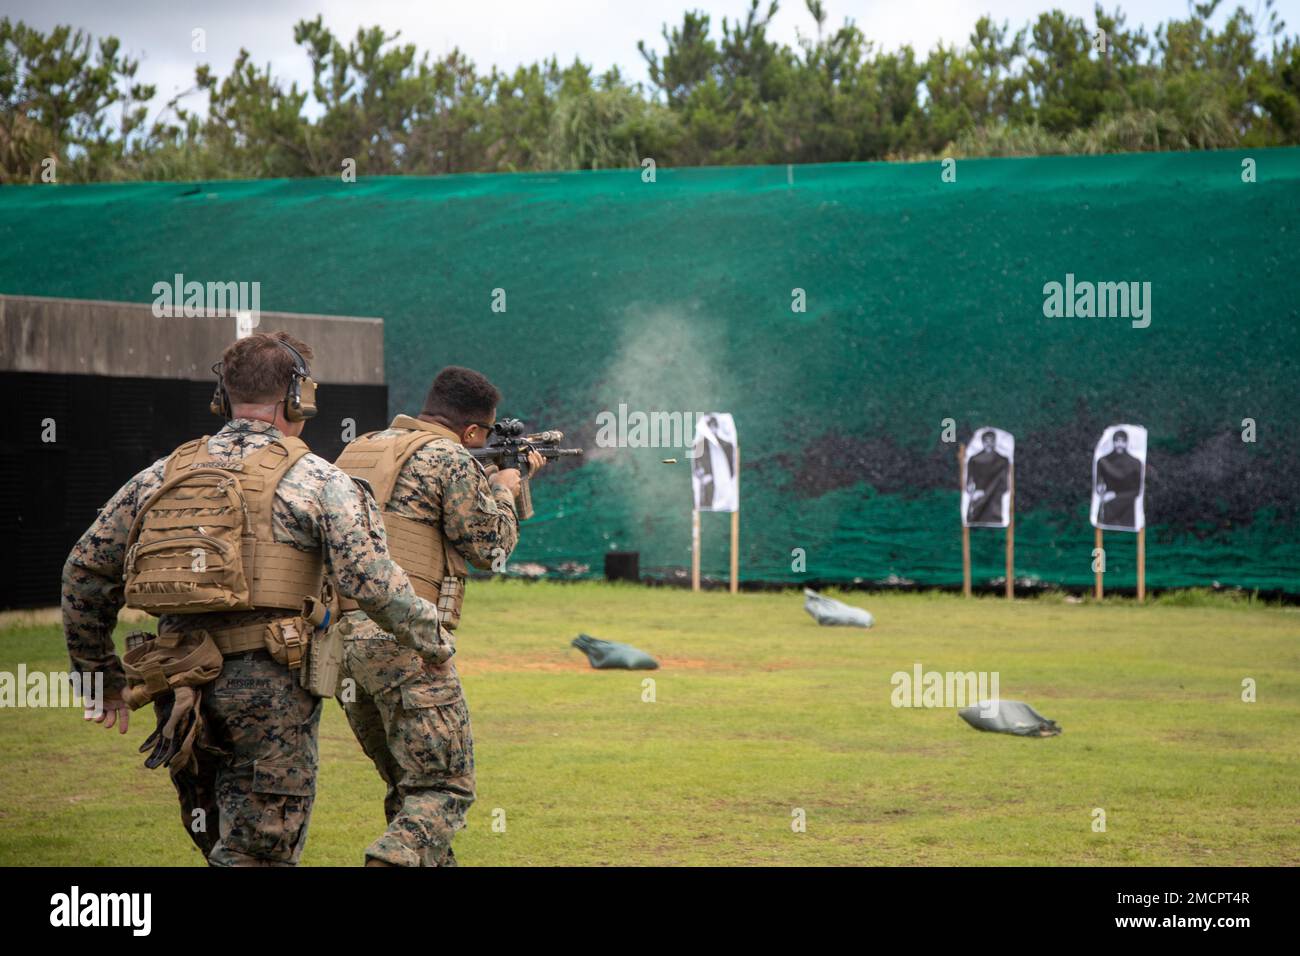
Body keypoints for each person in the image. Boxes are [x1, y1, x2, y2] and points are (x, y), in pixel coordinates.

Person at [63, 331, 447, 866]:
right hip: (266, 684)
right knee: (258, 851)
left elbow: (83, 569)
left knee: (219, 835)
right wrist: (432, 635)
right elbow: (371, 582)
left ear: (223, 396)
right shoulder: (318, 479)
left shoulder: (160, 475)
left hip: (178, 684)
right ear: (299, 397)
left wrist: (98, 675)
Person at [331, 365, 542, 867]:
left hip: (338, 642)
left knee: (410, 787)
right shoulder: (451, 458)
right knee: (444, 787)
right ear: (472, 431)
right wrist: (508, 490)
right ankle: (388, 860)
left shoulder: (357, 449)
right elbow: (491, 549)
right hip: (406, 638)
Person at [1096, 429, 1142, 529]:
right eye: (1117, 441)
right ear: (1113, 442)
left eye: (1123, 441)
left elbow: (1137, 491)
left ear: (1126, 442)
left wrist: (1115, 495)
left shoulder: (1135, 463)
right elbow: (1099, 481)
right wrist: (1100, 487)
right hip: (1108, 505)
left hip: (1127, 506)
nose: (1120, 444)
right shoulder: (1103, 461)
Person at [965, 430, 1010, 526]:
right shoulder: (974, 460)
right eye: (986, 441)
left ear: (995, 442)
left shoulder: (1003, 461)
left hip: (995, 502)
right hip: (978, 499)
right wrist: (974, 493)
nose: (989, 444)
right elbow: (969, 482)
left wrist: (994, 492)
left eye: (991, 441)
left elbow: (1005, 485)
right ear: (982, 442)